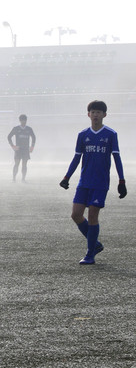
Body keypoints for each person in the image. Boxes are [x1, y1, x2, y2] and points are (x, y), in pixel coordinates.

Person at [59, 100, 127, 265]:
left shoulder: (111, 134)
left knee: (92, 214)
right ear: (88, 114)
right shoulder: (83, 135)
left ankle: (90, 254)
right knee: (76, 214)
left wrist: (122, 180)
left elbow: (117, 158)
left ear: (104, 115)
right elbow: (77, 157)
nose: (96, 115)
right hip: (84, 182)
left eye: (99, 112)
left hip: (100, 183)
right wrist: (66, 177)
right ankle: (95, 244)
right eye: (93, 112)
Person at [7, 114, 36, 182]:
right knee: (17, 163)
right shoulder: (16, 128)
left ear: (26, 120)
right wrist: (13, 146)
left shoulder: (29, 129)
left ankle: (23, 179)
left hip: (26, 149)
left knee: (24, 164)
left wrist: (32, 147)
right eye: (22, 120)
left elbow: (34, 137)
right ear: (20, 121)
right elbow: (9, 137)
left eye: (25, 120)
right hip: (18, 149)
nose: (24, 122)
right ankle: (14, 178)